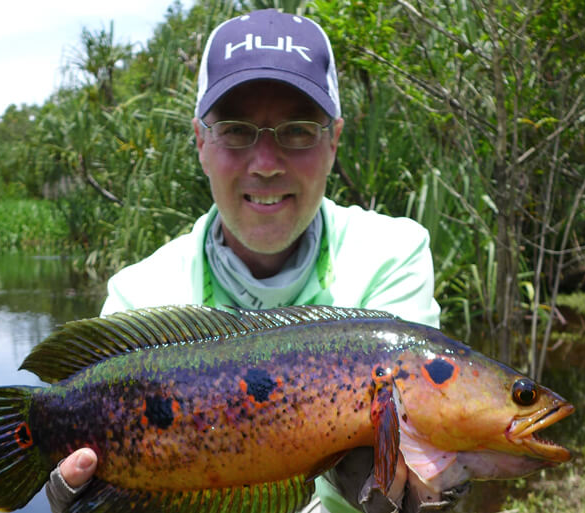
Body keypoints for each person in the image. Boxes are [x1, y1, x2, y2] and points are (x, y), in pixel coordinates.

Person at [45, 8, 441, 513]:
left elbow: (417, 446)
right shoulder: (138, 294)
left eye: (297, 131)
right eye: (235, 130)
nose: (267, 162)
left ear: (334, 139)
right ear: (201, 143)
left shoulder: (393, 254)